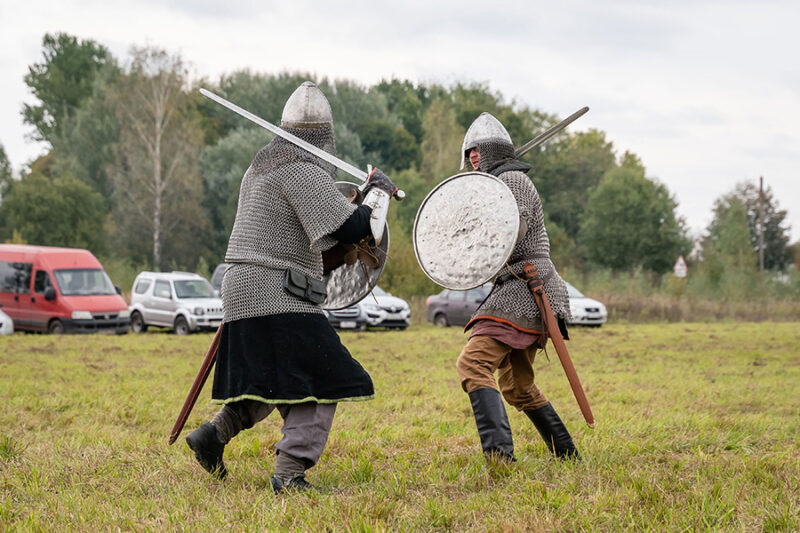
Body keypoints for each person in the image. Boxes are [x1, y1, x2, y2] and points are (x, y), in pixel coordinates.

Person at [185, 81, 398, 492]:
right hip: (275, 289)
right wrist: (377, 192)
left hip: (242, 285)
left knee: (274, 376)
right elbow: (352, 227)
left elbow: (312, 241)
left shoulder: (259, 168)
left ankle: (213, 435)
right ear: (324, 136)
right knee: (324, 376)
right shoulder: (301, 169)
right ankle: (289, 473)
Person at [456, 112, 580, 463]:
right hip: (516, 285)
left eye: (478, 149)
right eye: (468, 151)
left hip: (527, 286)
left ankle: (500, 459)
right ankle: (568, 456)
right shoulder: (492, 186)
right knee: (517, 386)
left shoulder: (512, 178)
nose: (473, 156)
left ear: (495, 150)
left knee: (473, 364)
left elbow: (516, 227)